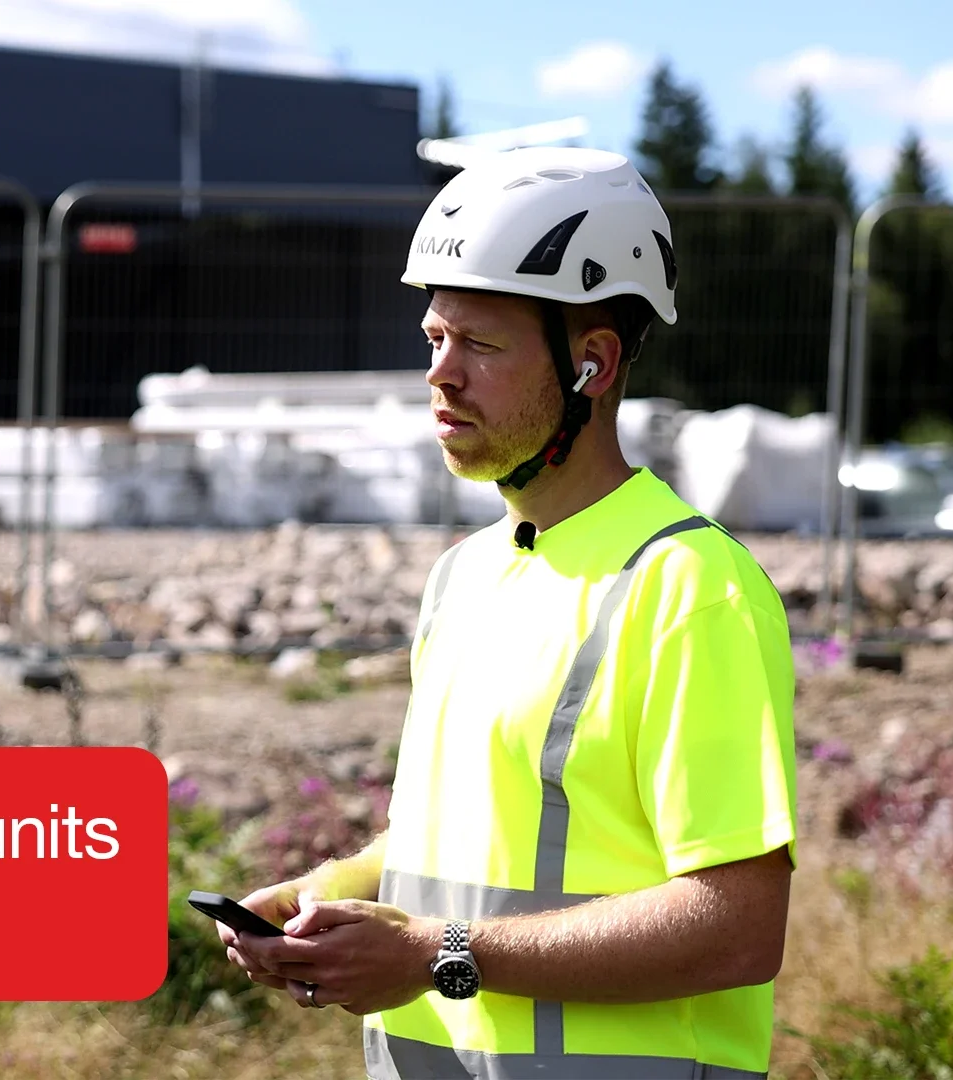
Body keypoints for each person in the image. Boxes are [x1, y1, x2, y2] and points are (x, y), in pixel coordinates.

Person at [216, 146, 798, 1079]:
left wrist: (434, 956)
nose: (440, 375)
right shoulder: (465, 574)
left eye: (480, 345)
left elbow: (737, 926)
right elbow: (463, 838)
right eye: (434, 339)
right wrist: (325, 893)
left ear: (593, 363)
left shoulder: (691, 587)